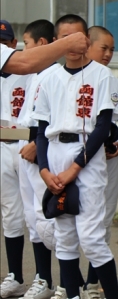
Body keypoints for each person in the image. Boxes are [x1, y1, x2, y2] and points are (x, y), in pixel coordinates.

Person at [32, 15, 118, 299]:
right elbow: (41, 131)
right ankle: (71, 295)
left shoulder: (102, 75)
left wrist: (75, 167)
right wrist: (44, 170)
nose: (72, 43)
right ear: (56, 41)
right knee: (65, 239)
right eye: (65, 38)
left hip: (87, 154)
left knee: (92, 239)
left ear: (86, 40)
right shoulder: (49, 79)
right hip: (55, 152)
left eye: (77, 37)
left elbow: (103, 128)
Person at [81, 26, 118, 299]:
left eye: (112, 49)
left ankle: (92, 285)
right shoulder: (69, 78)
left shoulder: (113, 81)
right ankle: (68, 284)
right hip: (74, 158)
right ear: (87, 46)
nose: (108, 54)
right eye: (104, 48)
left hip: (106, 159)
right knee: (63, 224)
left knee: (102, 222)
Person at [16, 20, 61, 299]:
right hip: (25, 148)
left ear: (42, 44)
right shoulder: (36, 73)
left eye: (27, 44)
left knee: (49, 219)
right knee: (32, 218)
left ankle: (69, 281)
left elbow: (55, 118)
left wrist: (35, 144)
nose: (24, 50)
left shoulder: (55, 75)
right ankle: (43, 279)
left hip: (40, 149)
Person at [1, 20, 31, 299]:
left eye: (4, 42)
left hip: (25, 146)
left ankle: (47, 278)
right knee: (10, 213)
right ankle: (15, 277)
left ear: (13, 44)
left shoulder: (29, 71)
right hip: (1, 146)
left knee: (36, 214)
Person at [0, 20, 88, 75]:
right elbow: (24, 63)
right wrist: (68, 43)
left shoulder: (53, 73)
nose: (24, 49)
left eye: (26, 43)